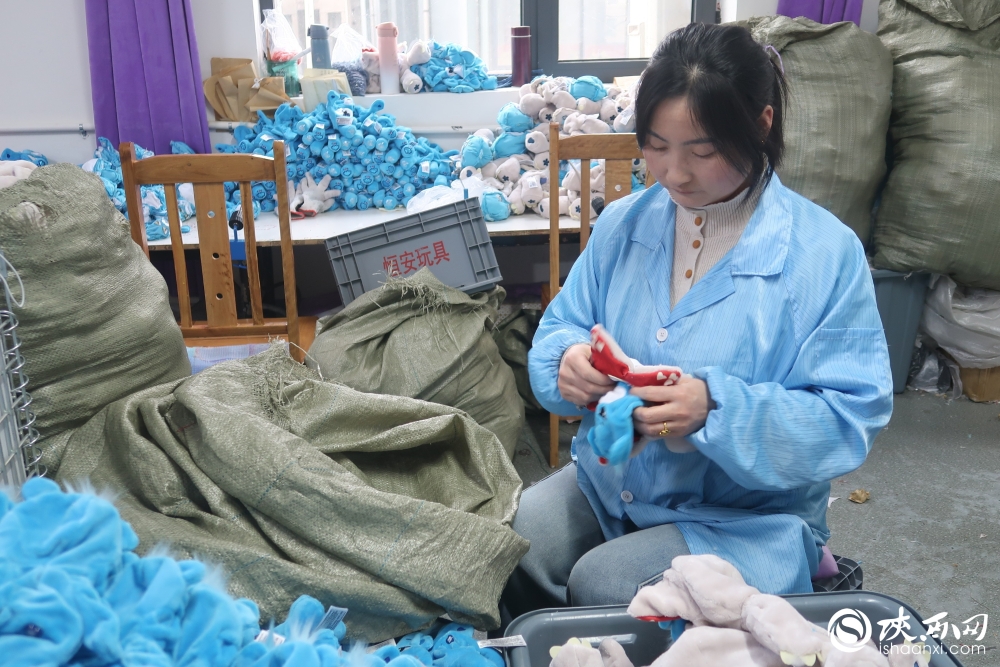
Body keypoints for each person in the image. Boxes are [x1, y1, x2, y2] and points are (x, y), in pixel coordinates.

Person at [504, 23, 893, 619]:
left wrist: (715, 410)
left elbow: (848, 419)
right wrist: (569, 362)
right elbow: (565, 324)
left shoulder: (824, 254)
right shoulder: (624, 224)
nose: (674, 173)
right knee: (516, 544)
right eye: (656, 145)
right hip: (612, 484)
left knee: (610, 585)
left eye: (703, 151)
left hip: (744, 519)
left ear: (761, 124)